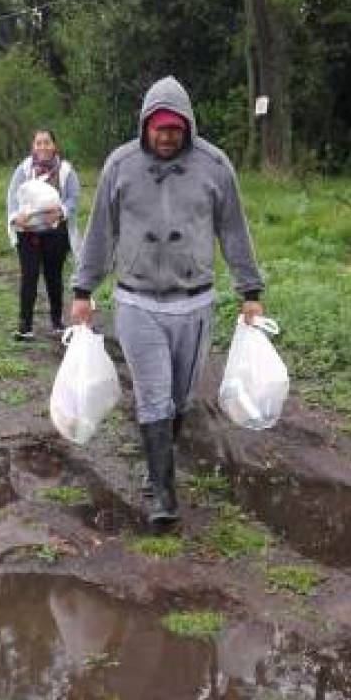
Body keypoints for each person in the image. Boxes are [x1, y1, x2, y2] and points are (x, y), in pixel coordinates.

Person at [70, 76, 264, 523]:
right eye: (159, 129)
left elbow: (234, 230)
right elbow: (101, 231)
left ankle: (159, 464)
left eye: (175, 129)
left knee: (179, 399)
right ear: (145, 126)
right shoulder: (119, 166)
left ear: (187, 127)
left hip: (194, 302)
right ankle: (162, 495)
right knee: (154, 396)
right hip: (137, 301)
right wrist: (83, 290)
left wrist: (250, 291)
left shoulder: (215, 166)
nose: (166, 137)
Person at [7, 129, 81, 340]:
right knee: (28, 277)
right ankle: (25, 326)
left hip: (55, 233)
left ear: (54, 146)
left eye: (46, 142)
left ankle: (57, 322)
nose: (42, 147)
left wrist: (61, 211)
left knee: (54, 277)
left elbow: (73, 199)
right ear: (33, 146)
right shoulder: (23, 169)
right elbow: (12, 196)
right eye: (38, 143)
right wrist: (15, 217)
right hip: (27, 233)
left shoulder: (66, 171)